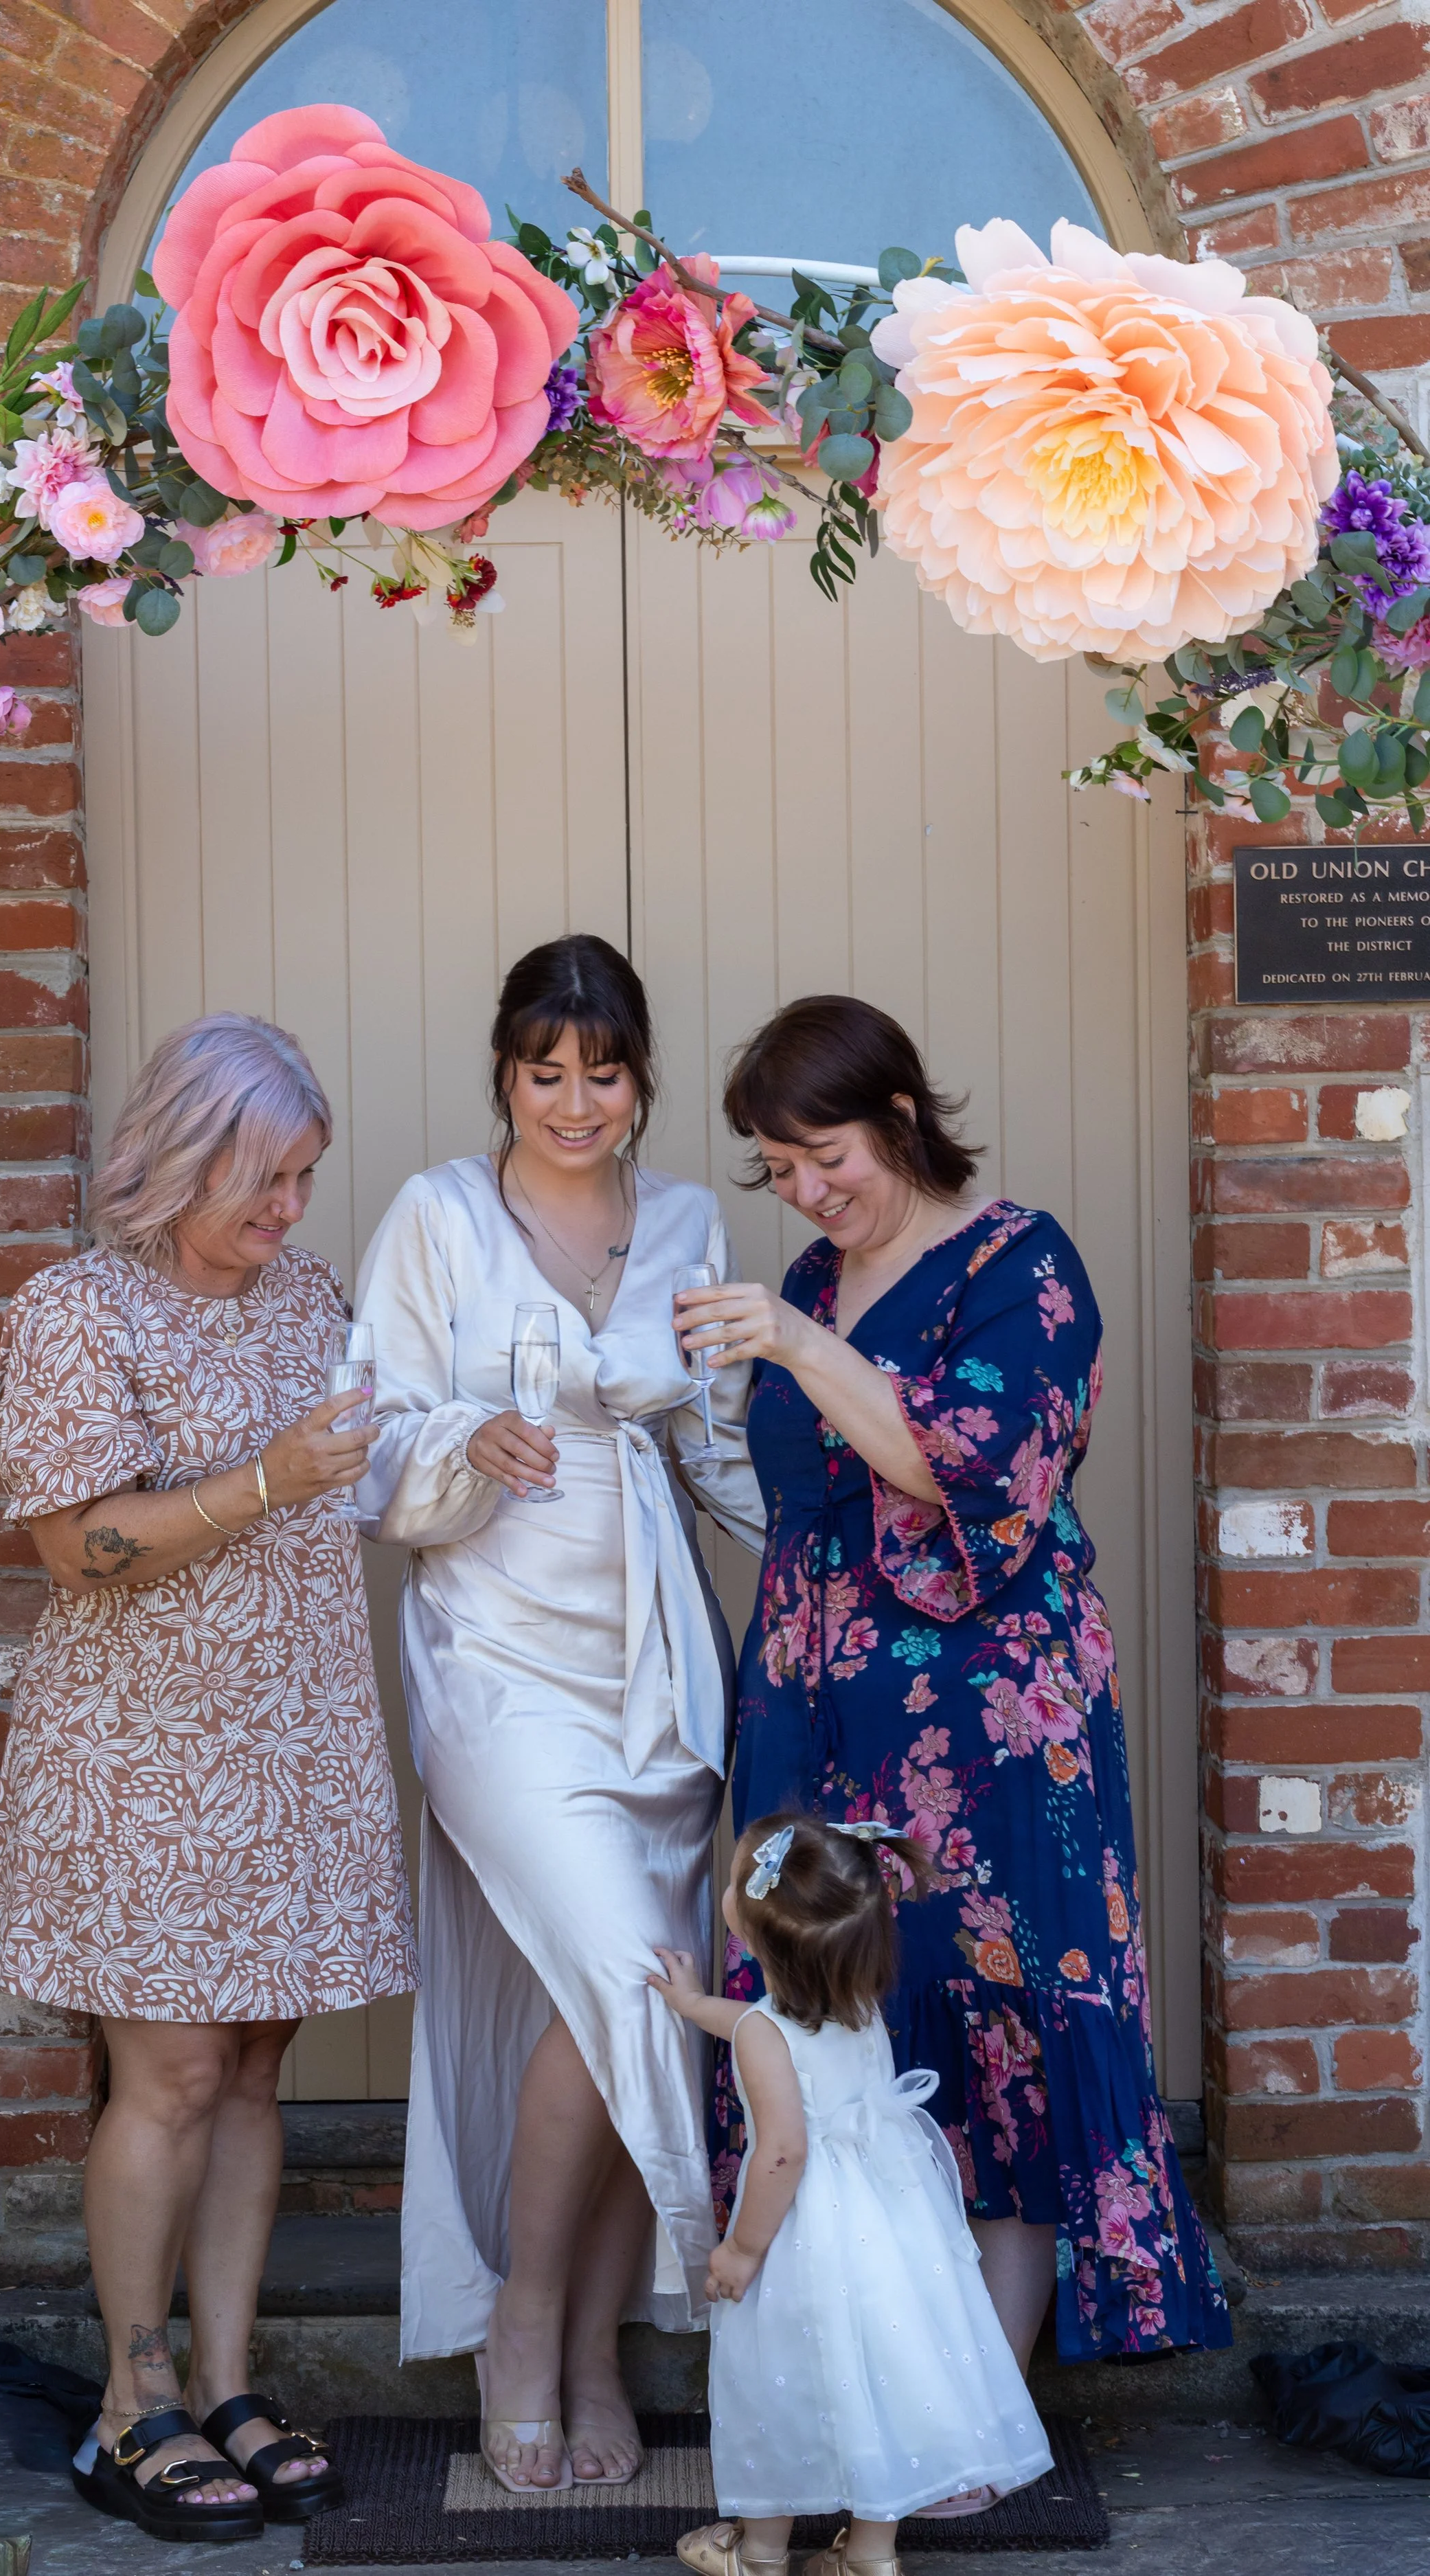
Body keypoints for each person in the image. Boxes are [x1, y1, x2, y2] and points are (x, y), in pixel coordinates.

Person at [674, 994, 1229, 2460]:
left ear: (901, 1119)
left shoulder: (1015, 1263)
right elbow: (791, 1493)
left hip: (991, 1718)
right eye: (777, 1169)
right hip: (816, 1706)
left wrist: (795, 1339)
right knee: (840, 2022)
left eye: (824, 1155)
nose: (805, 1192)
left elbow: (963, 1467)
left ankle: (970, 2418)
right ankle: (859, 2402)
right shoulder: (815, 1274)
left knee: (1002, 2020)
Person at [0, 1013, 418, 2546]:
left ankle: (230, 2387)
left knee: (248, 2073)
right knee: (164, 2074)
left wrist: (461, 1453)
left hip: (295, 1737)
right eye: (263, 1177)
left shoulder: (312, 1297)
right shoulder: (76, 1312)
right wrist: (262, 1482)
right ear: (179, 1156)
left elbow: (370, 1481)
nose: (288, 1210)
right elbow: (70, 1547)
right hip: (145, 1755)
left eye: (305, 1176)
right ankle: (130, 2401)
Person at [354, 934, 764, 2493]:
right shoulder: (439, 1215)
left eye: (603, 1068)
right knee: (616, 1964)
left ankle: (598, 2346)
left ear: (640, 1073)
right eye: (546, 1068)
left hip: (657, 1666)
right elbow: (378, 1440)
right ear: (505, 1072)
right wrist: (472, 1441)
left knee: (632, 2003)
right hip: (497, 1658)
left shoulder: (691, 1221)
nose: (576, 1098)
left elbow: (728, 1448)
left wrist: (832, 1544)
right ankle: (517, 2320)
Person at [651, 1811, 1052, 2576]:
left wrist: (740, 2250)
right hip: (889, 2225)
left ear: (744, 1923)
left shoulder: (766, 2038)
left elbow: (782, 2153)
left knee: (779, 2383)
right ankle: (870, 2556)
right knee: (882, 2383)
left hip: (805, 2238)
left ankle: (761, 2551)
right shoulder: (857, 2004)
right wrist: (694, 2007)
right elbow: (760, 2028)